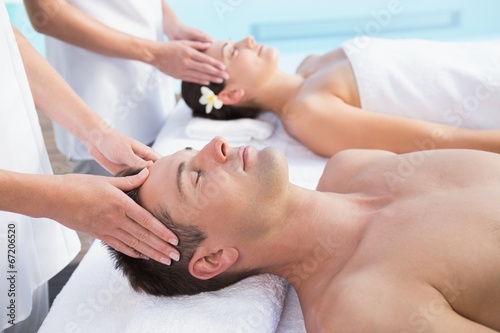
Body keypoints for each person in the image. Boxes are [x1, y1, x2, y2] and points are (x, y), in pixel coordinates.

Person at [111, 136, 500, 332]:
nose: (218, 144)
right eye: (195, 176)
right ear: (214, 258)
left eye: (193, 150)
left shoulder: (353, 167)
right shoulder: (358, 308)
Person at [0, 4, 179, 332]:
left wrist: (98, 134)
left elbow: (6, 40)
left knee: (21, 307)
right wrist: (51, 198)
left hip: (16, 210)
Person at [181, 36, 500, 157]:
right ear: (233, 93)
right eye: (233, 51)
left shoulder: (311, 63)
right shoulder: (308, 114)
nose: (248, 40)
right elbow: (439, 142)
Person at [23, 0, 228, 175]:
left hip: (152, 98)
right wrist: (156, 54)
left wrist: (169, 21)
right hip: (100, 106)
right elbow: (46, 13)